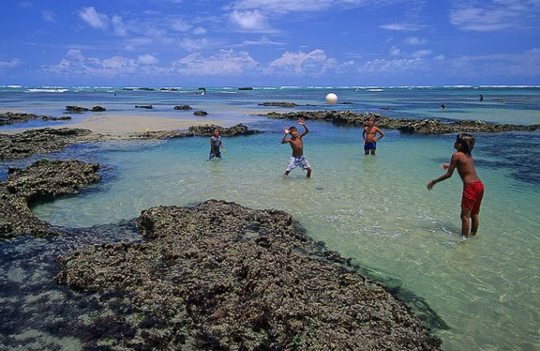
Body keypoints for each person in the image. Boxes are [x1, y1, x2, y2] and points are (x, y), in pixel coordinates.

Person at [427, 133, 484, 241]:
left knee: (464, 216)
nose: (454, 143)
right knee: (474, 214)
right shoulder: (468, 155)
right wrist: (449, 165)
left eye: (457, 142)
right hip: (479, 185)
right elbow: (465, 165)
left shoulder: (456, 155)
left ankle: (463, 241)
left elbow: (449, 174)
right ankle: (473, 235)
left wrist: (434, 181)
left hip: (470, 187)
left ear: (460, 145)